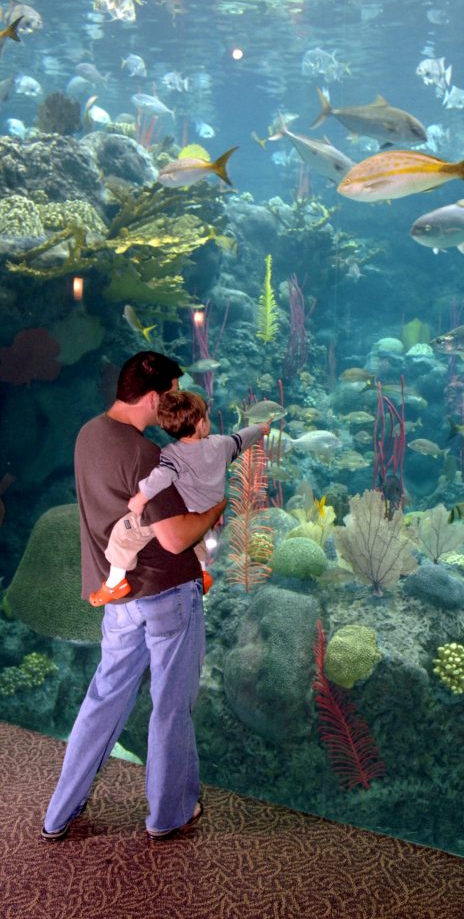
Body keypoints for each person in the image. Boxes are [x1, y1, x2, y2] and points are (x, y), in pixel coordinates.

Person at [41, 351, 226, 842]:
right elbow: (173, 538)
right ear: (151, 397)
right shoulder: (147, 457)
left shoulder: (88, 435)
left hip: (119, 596)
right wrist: (214, 510)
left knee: (103, 700)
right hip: (167, 595)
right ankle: (170, 814)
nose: (175, 406)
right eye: (170, 396)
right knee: (169, 705)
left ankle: (60, 811)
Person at [90, 389, 269, 607]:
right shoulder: (221, 444)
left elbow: (160, 477)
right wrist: (260, 429)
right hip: (207, 510)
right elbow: (241, 439)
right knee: (197, 540)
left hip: (183, 513)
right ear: (202, 424)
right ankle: (202, 573)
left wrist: (140, 498)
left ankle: (115, 581)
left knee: (124, 532)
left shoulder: (172, 454)